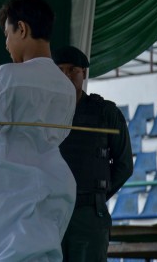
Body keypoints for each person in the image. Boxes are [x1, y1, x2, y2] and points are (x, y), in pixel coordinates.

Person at [0, 0, 77, 262]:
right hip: (57, 184)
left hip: (11, 185)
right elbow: (60, 135)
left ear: (22, 28)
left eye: (7, 34)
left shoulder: (8, 76)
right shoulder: (67, 87)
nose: (6, 44)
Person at [53, 45, 133, 262]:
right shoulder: (42, 114)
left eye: (72, 70)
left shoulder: (105, 113)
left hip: (88, 215)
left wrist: (97, 197)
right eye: (60, 70)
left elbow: (124, 165)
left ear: (84, 73)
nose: (66, 76)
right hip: (51, 215)